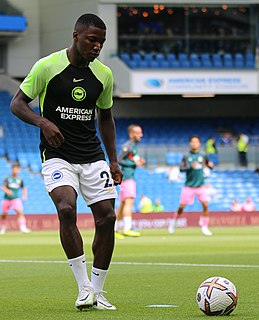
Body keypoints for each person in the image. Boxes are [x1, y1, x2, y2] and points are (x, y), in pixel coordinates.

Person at [10, 13, 123, 311]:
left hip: (92, 155)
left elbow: (106, 117)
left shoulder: (104, 75)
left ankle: (97, 292)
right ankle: (83, 287)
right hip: (57, 155)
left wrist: (113, 160)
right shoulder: (47, 66)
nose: (97, 46)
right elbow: (17, 104)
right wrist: (43, 123)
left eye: (101, 42)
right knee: (66, 208)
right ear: (76, 36)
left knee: (108, 218)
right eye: (92, 40)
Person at [168, 135, 214, 236]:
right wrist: (189, 167)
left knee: (205, 205)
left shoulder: (203, 155)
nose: (194, 144)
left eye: (196, 142)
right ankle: (174, 222)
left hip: (201, 185)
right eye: (192, 142)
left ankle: (204, 227)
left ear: (199, 144)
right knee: (181, 207)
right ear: (190, 143)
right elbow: (181, 169)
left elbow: (207, 165)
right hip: (189, 186)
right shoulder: (186, 155)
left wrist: (211, 166)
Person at [115, 124, 145, 238]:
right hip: (127, 177)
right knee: (129, 201)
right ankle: (127, 228)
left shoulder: (134, 146)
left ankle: (114, 229)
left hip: (127, 177)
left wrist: (138, 162)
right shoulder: (128, 146)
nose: (141, 135)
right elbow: (118, 160)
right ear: (132, 134)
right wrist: (134, 163)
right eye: (138, 133)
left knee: (122, 204)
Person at [0, 163, 31, 234]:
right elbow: (3, 187)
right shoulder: (8, 179)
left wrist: (24, 195)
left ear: (19, 170)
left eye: (17, 169)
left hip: (15, 198)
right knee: (4, 214)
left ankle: (22, 227)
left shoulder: (19, 180)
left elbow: (23, 188)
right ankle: (3, 228)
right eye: (14, 169)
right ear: (12, 169)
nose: (15, 170)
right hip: (7, 199)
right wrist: (7, 191)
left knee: (20, 212)